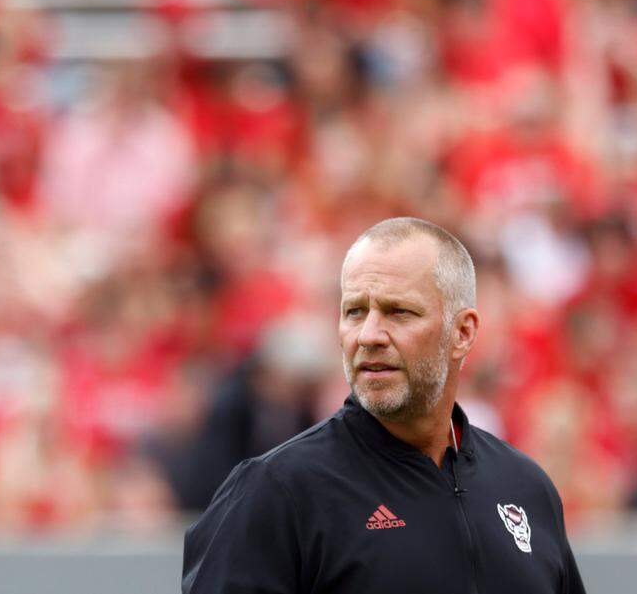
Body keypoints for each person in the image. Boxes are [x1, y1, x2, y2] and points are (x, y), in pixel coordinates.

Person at [182, 217, 586, 594]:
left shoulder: (526, 488)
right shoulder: (278, 492)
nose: (369, 335)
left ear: (462, 333)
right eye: (354, 312)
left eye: (398, 312)